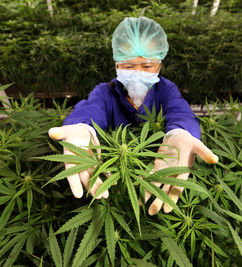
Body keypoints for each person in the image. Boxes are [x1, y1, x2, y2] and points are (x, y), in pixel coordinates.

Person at [48, 17, 218, 215]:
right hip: (114, 177)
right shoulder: (106, 92)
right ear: (117, 64)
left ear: (160, 65)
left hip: (155, 172)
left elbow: (180, 111)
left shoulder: (165, 90)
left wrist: (181, 133)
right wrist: (80, 127)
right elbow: (91, 109)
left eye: (147, 66)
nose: (137, 73)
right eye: (129, 66)